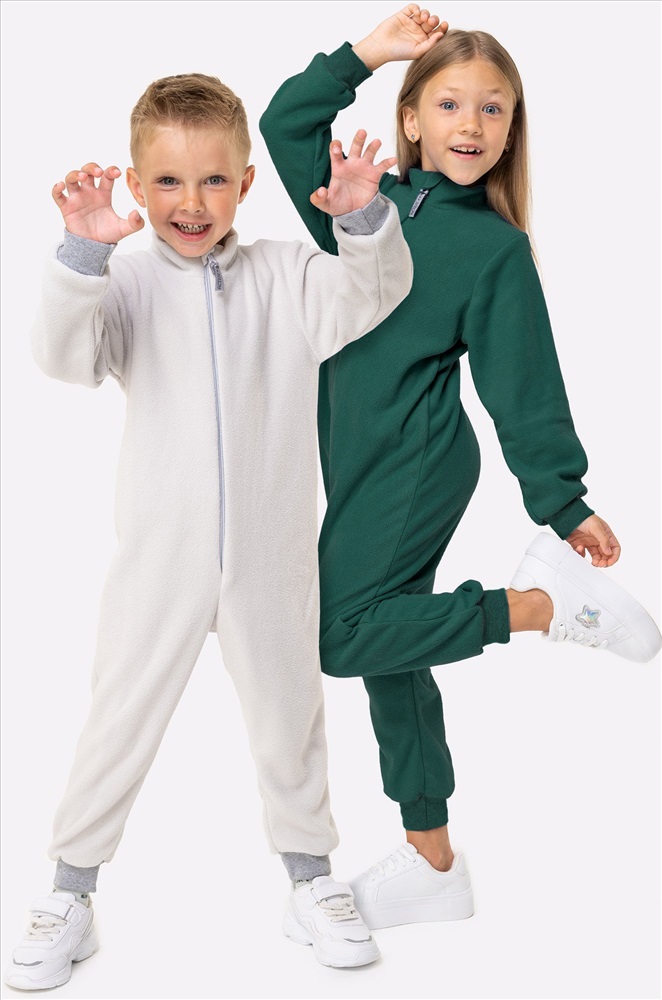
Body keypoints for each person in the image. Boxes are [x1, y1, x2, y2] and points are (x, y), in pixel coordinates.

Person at [4, 71, 415, 990]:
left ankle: (310, 879)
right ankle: (71, 892)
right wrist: (82, 255)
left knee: (289, 718)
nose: (191, 203)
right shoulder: (127, 282)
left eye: (214, 180)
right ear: (137, 184)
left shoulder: (287, 276)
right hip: (160, 559)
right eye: (168, 182)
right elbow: (65, 359)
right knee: (119, 716)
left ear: (247, 181)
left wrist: (362, 221)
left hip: (271, 555)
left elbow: (373, 295)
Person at [260, 4, 662, 931]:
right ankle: (432, 858)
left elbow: (524, 382)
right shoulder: (359, 200)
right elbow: (285, 121)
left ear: (511, 131)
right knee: (390, 652)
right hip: (355, 458)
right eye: (448, 104)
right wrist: (370, 52)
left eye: (492, 109)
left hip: (418, 458)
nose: (471, 124)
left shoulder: (494, 248)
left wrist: (564, 503)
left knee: (340, 635)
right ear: (411, 118)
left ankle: (540, 608)